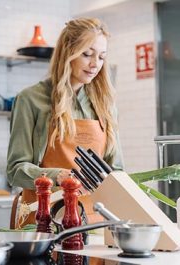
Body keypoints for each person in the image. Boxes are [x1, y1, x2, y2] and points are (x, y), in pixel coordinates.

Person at [7, 17, 124, 228]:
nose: (95, 64)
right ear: (67, 53)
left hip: (94, 219)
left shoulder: (105, 105)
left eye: (101, 56)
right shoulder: (30, 99)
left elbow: (116, 170)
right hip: (44, 219)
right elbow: (16, 171)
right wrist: (58, 176)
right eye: (87, 54)